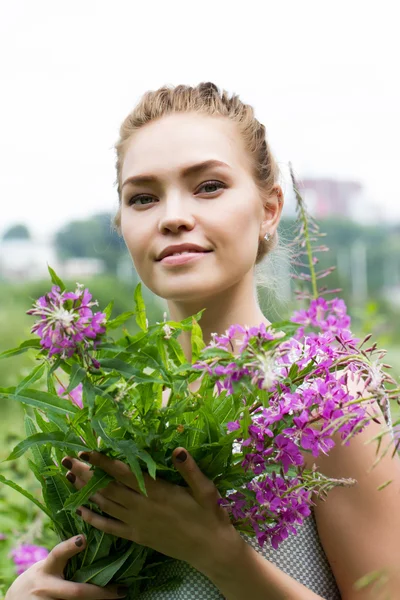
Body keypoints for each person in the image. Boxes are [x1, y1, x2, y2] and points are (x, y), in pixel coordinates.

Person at [6, 82, 400, 600]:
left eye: (208, 186)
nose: (172, 216)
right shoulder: (106, 414)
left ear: (269, 209)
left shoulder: (323, 398)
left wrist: (217, 553)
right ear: (122, 224)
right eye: (142, 198)